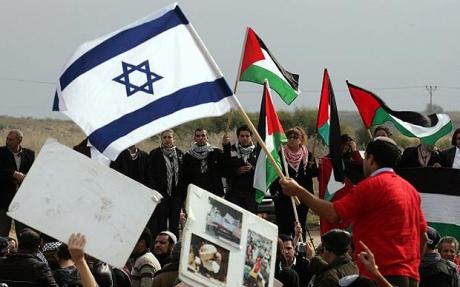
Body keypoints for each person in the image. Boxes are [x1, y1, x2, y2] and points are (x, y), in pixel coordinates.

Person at [280, 137, 427, 287]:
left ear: (370, 159)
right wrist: (412, 263)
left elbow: (332, 213)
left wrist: (298, 191)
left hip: (380, 273)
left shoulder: (372, 185)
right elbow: (424, 236)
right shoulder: (410, 190)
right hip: (411, 276)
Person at [271, 127, 318, 236]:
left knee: (299, 224)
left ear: (301, 139)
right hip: (284, 197)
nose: (292, 139)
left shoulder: (308, 156)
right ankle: (285, 249)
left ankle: (300, 249)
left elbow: (314, 173)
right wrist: (276, 193)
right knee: (284, 225)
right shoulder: (280, 154)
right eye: (289, 137)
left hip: (302, 196)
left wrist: (312, 167)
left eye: (295, 137)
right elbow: (274, 175)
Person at [148, 130, 185, 238]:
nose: (167, 140)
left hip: (176, 195)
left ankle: (173, 249)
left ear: (173, 139)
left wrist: (182, 195)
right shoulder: (154, 154)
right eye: (165, 137)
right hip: (161, 195)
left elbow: (183, 175)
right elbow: (151, 175)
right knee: (161, 224)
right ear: (161, 139)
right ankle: (159, 248)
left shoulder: (180, 154)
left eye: (169, 137)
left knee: (174, 225)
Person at [0, 129, 35, 237]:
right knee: (2, 235)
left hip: (22, 202)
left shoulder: (29, 154)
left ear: (19, 140)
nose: (7, 141)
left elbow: (32, 173)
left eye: (11, 139)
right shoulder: (1, 153)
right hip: (4, 201)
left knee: (23, 235)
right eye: (7, 139)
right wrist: (13, 174)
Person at [222, 125, 258, 213]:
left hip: (251, 195)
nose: (245, 138)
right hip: (234, 194)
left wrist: (252, 168)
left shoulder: (258, 151)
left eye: (247, 136)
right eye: (242, 136)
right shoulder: (230, 150)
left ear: (251, 137)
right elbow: (223, 171)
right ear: (238, 137)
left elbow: (263, 172)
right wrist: (237, 171)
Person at [183, 128, 224, 196]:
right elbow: (185, 177)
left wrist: (226, 146)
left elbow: (226, 168)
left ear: (207, 137)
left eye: (203, 135)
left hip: (214, 191)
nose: (200, 138)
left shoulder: (216, 152)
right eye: (198, 136)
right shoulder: (188, 155)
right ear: (194, 138)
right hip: (196, 192)